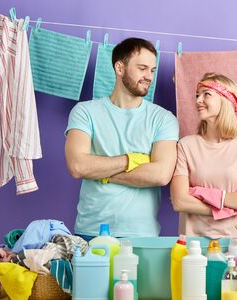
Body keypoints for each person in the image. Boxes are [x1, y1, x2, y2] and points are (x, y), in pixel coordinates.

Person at [65, 37, 179, 240]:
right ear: (120, 68)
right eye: (142, 68)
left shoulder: (164, 118)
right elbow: (78, 166)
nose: (149, 77)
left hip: (142, 235)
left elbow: (161, 175)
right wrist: (132, 159)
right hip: (91, 231)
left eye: (152, 70)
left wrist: (101, 172)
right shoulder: (85, 112)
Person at [170, 72, 237, 238]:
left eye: (206, 94)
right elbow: (180, 201)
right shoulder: (186, 145)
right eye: (197, 95)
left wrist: (204, 194)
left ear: (226, 100)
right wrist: (228, 208)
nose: (198, 100)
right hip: (196, 244)